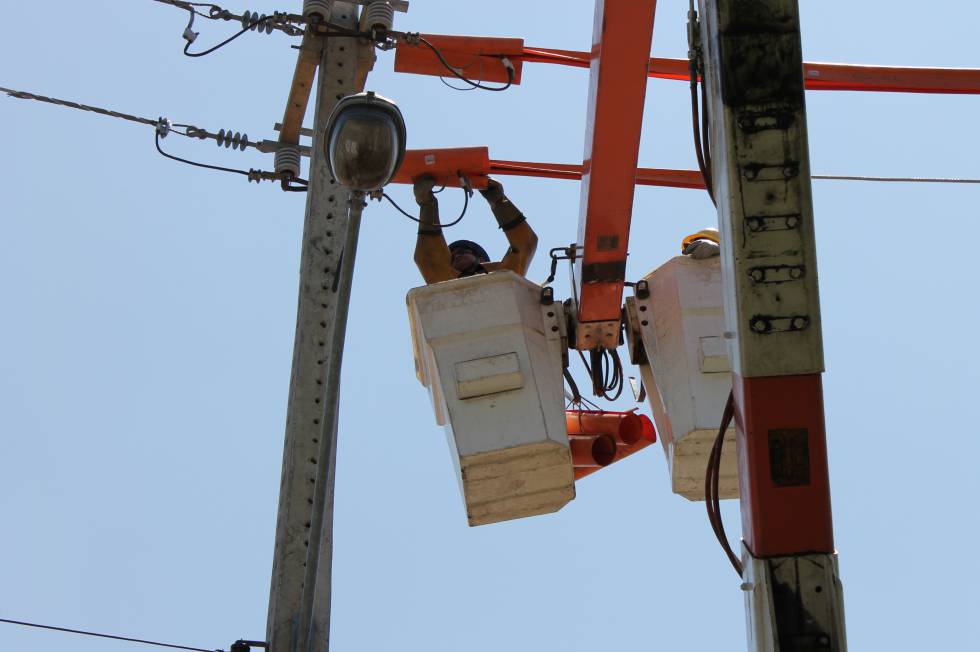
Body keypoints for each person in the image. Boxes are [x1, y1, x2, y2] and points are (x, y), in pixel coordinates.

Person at [412, 175, 538, 284]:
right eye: (452, 257)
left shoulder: (505, 279)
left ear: (481, 260)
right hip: (458, 301)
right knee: (436, 270)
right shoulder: (445, 284)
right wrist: (427, 205)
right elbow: (428, 259)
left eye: (463, 251)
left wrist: (499, 201)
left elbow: (525, 244)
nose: (456, 255)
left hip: (498, 300)